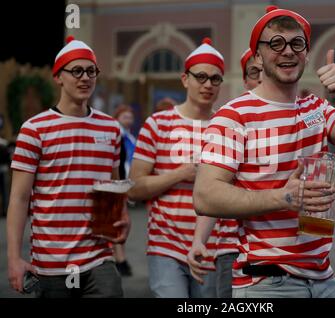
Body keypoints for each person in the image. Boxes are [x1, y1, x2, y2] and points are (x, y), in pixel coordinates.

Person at [193, 5, 335, 298]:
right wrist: (283, 198)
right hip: (267, 282)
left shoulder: (317, 110)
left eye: (297, 43)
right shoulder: (235, 116)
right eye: (275, 43)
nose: (287, 51)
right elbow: (205, 196)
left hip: (324, 277)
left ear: (306, 53)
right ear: (257, 55)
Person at [7, 36, 130, 298]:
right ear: (58, 76)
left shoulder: (111, 127)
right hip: (51, 262)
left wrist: (123, 216)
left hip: (99, 256)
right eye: (76, 71)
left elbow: (115, 184)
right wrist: (14, 258)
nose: (85, 77)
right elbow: (18, 198)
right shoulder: (34, 129)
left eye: (91, 71)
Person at [128, 38, 224, 298]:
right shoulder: (158, 124)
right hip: (165, 245)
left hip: (211, 247)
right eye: (201, 77)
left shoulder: (226, 126)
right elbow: (134, 188)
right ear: (185, 79)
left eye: (215, 79)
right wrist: (181, 174)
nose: (208, 85)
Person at [187, 48, 262, 298]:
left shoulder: (299, 116)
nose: (262, 78)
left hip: (291, 251)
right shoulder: (232, 118)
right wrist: (200, 239)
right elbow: (213, 190)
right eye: (255, 72)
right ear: (244, 79)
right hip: (234, 246)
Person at [112, 104, 137, 276]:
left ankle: (120, 259)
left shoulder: (130, 137)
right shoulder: (117, 136)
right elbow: (119, 164)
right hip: (118, 183)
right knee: (117, 223)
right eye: (125, 117)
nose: (128, 120)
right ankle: (120, 260)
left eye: (130, 117)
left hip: (124, 182)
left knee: (119, 223)